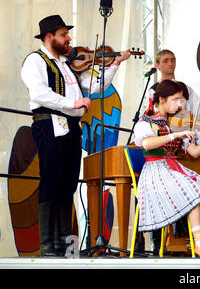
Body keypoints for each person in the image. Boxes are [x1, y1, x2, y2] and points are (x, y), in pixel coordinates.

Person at [21, 14, 131, 256]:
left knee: (68, 181)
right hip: (48, 123)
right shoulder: (35, 61)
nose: (68, 38)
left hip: (70, 126)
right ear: (49, 37)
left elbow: (96, 86)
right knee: (51, 179)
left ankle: (61, 241)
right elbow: (39, 94)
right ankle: (47, 243)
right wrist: (72, 102)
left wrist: (115, 63)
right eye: (63, 34)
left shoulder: (67, 65)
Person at [134, 79, 200, 258]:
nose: (179, 104)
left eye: (181, 100)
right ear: (162, 99)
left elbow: (194, 152)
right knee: (194, 194)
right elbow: (147, 144)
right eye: (176, 100)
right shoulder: (145, 122)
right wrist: (174, 134)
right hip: (155, 172)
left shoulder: (170, 124)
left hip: (172, 170)